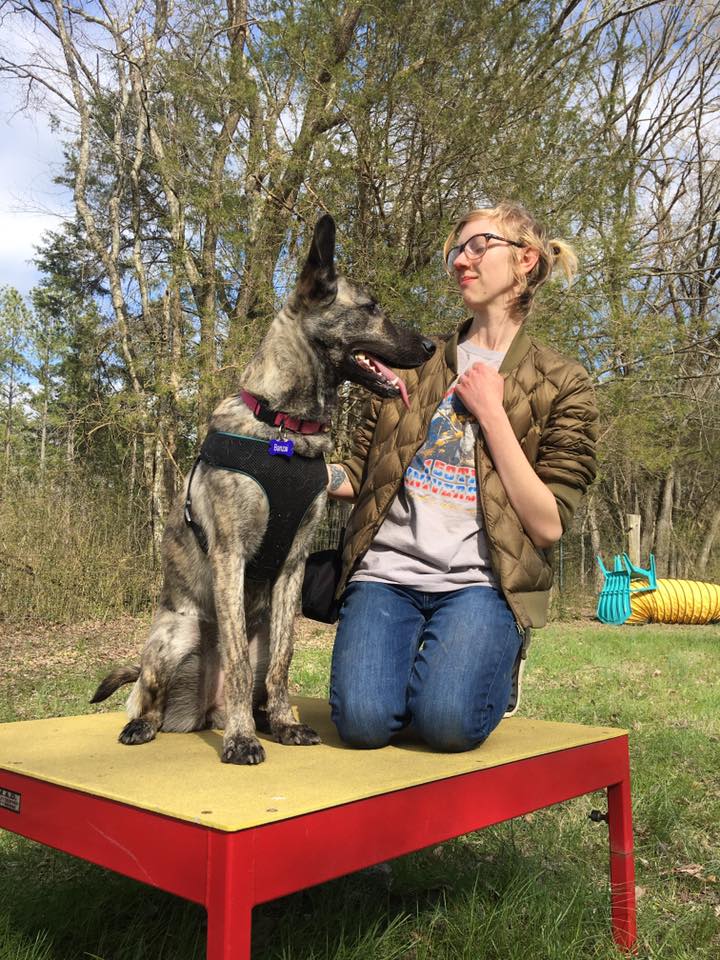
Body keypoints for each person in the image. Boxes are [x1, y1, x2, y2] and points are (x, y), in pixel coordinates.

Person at [325, 201, 598, 752]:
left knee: (448, 725)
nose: (460, 260)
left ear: (524, 259)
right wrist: (292, 463)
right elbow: (359, 473)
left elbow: (547, 527)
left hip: (482, 584)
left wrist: (494, 414)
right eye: (456, 250)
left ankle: (490, 662)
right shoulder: (416, 360)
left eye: (477, 245)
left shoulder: (563, 382)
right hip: (387, 573)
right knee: (363, 723)